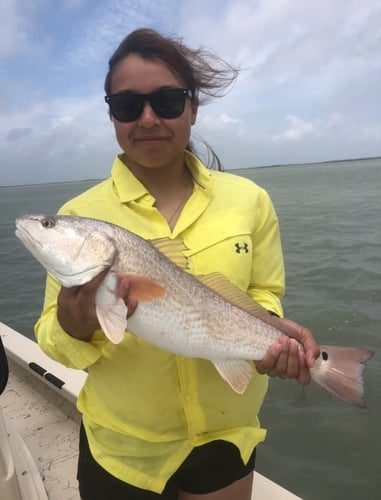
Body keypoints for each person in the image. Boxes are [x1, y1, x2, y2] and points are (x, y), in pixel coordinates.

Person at [35, 28, 319, 500]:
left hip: (226, 435)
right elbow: (54, 340)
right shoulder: (81, 220)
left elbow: (266, 291)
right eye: (127, 106)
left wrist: (267, 331)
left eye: (167, 101)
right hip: (122, 449)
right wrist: (73, 324)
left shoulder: (249, 200)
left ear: (192, 107)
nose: (147, 119)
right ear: (111, 114)